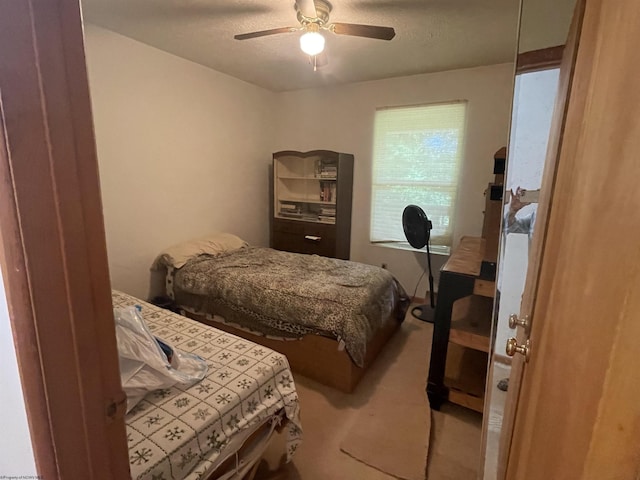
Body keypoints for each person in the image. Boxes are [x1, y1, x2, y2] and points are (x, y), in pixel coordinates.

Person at [497, 186, 536, 392]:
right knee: (525, 331)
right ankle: (516, 377)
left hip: (555, 283)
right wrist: (513, 211)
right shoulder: (538, 214)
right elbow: (512, 229)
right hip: (534, 280)